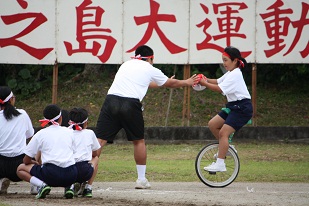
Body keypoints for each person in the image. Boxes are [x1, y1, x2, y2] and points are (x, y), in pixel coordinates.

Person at [95, 45, 199, 189]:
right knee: (138, 141)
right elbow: (171, 83)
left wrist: (163, 82)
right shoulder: (150, 68)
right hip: (130, 103)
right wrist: (187, 82)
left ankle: (85, 174)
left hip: (111, 100)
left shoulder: (126, 64)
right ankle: (141, 179)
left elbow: (144, 83)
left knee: (100, 139)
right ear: (151, 58)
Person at [198, 46, 253, 172]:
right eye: (223, 60)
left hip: (242, 108)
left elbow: (219, 89)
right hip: (234, 106)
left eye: (226, 60)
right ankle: (227, 148)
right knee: (212, 124)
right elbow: (217, 81)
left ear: (235, 61)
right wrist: (204, 80)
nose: (224, 63)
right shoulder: (230, 73)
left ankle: (220, 163)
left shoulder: (236, 74)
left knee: (223, 133)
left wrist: (205, 84)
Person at [16, 104, 78, 199]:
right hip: (71, 174)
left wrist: (34, 162)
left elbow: (26, 160)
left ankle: (41, 185)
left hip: (51, 175)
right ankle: (70, 186)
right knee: (69, 164)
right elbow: (75, 152)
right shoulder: (69, 132)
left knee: (20, 168)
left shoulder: (41, 134)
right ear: (60, 118)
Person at [0, 86, 35, 194]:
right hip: (20, 165)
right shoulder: (22, 114)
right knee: (35, 154)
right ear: (11, 100)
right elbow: (30, 135)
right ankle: (35, 184)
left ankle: (1, 181)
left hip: (1, 165)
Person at [66, 107, 100, 198]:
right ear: (85, 122)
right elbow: (95, 153)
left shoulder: (66, 132)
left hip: (68, 170)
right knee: (96, 159)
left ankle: (71, 186)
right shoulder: (90, 133)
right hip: (84, 170)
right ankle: (88, 188)